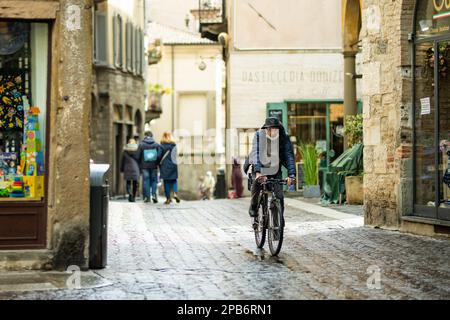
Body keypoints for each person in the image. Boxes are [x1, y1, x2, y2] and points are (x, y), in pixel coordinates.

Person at [248, 117, 296, 218]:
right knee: (256, 185)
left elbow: (289, 155)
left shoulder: (284, 137)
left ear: (279, 129)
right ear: (265, 129)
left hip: (275, 167)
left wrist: (291, 175)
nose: (270, 131)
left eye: (274, 129)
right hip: (259, 166)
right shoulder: (258, 136)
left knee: (279, 196)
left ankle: (279, 221)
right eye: (268, 129)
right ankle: (253, 205)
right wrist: (258, 172)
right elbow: (256, 153)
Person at [136, 131, 162, 203]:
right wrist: (157, 163)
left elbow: (137, 156)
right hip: (154, 166)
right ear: (152, 136)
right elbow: (159, 156)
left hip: (144, 167)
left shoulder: (141, 145)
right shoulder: (156, 145)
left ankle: (147, 197)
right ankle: (154, 195)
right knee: (154, 181)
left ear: (145, 136)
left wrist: (140, 163)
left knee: (146, 181)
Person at [159, 132, 180, 205]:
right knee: (174, 180)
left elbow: (159, 156)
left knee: (166, 182)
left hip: (165, 166)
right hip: (173, 165)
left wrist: (158, 162)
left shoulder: (161, 146)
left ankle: (168, 198)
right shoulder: (174, 146)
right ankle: (175, 193)